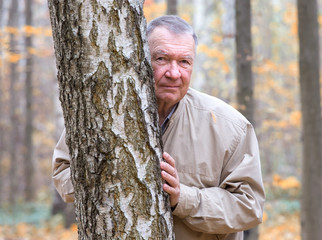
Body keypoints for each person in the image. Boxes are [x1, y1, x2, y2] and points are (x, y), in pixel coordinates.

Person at [52, 15, 265, 240]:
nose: (174, 73)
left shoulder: (231, 127)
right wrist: (103, 179)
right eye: (162, 59)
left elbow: (249, 207)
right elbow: (63, 170)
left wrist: (184, 198)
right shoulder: (104, 111)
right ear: (141, 56)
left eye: (184, 62)